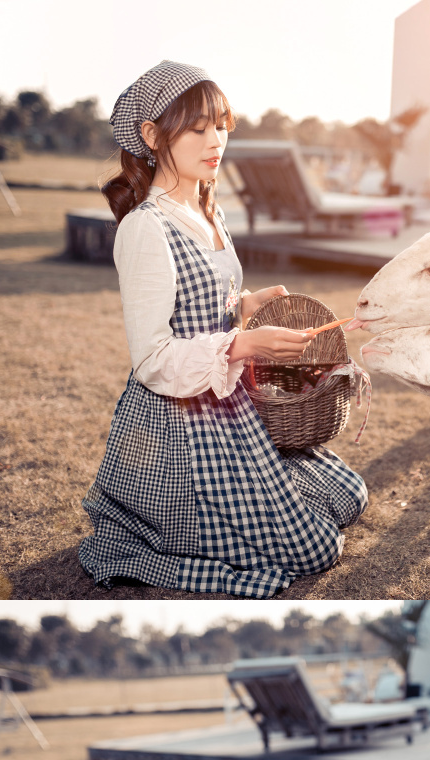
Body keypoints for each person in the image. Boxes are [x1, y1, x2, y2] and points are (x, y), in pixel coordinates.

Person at [78, 60, 368, 595]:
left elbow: (207, 304)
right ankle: (160, 527)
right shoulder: (147, 228)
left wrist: (248, 305)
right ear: (151, 134)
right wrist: (241, 343)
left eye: (221, 125)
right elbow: (152, 359)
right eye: (198, 128)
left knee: (348, 494)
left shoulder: (209, 208)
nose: (216, 141)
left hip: (230, 401)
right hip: (180, 422)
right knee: (316, 548)